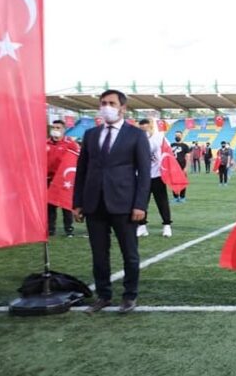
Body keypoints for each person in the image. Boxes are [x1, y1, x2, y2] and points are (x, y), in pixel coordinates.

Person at [72, 89, 151, 314]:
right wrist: (78, 202)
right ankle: (103, 295)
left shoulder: (136, 135)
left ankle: (129, 296)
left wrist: (140, 205)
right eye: (103, 103)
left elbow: (144, 174)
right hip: (94, 203)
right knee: (99, 254)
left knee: (130, 253)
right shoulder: (90, 135)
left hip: (124, 204)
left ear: (122, 108)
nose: (106, 106)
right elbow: (82, 171)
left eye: (111, 103)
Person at [136, 119, 172, 238]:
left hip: (157, 175)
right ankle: (142, 226)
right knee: (141, 202)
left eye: (146, 129)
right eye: (141, 129)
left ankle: (167, 225)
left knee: (162, 201)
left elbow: (168, 153)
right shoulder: (136, 139)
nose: (144, 131)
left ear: (151, 127)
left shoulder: (159, 138)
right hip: (141, 176)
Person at [47, 119, 80, 237]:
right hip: (49, 179)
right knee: (50, 205)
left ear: (64, 130)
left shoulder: (71, 144)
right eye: (54, 127)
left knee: (66, 204)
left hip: (64, 179)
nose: (55, 130)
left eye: (58, 128)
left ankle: (69, 229)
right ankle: (50, 229)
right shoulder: (46, 144)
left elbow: (77, 159)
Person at [170, 131, 190, 203]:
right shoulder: (171, 145)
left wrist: (186, 167)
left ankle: (182, 197)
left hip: (182, 167)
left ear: (181, 136)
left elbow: (188, 157)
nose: (177, 136)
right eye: (176, 135)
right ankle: (175, 197)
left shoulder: (185, 146)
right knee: (174, 183)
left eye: (178, 135)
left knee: (182, 182)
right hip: (173, 167)